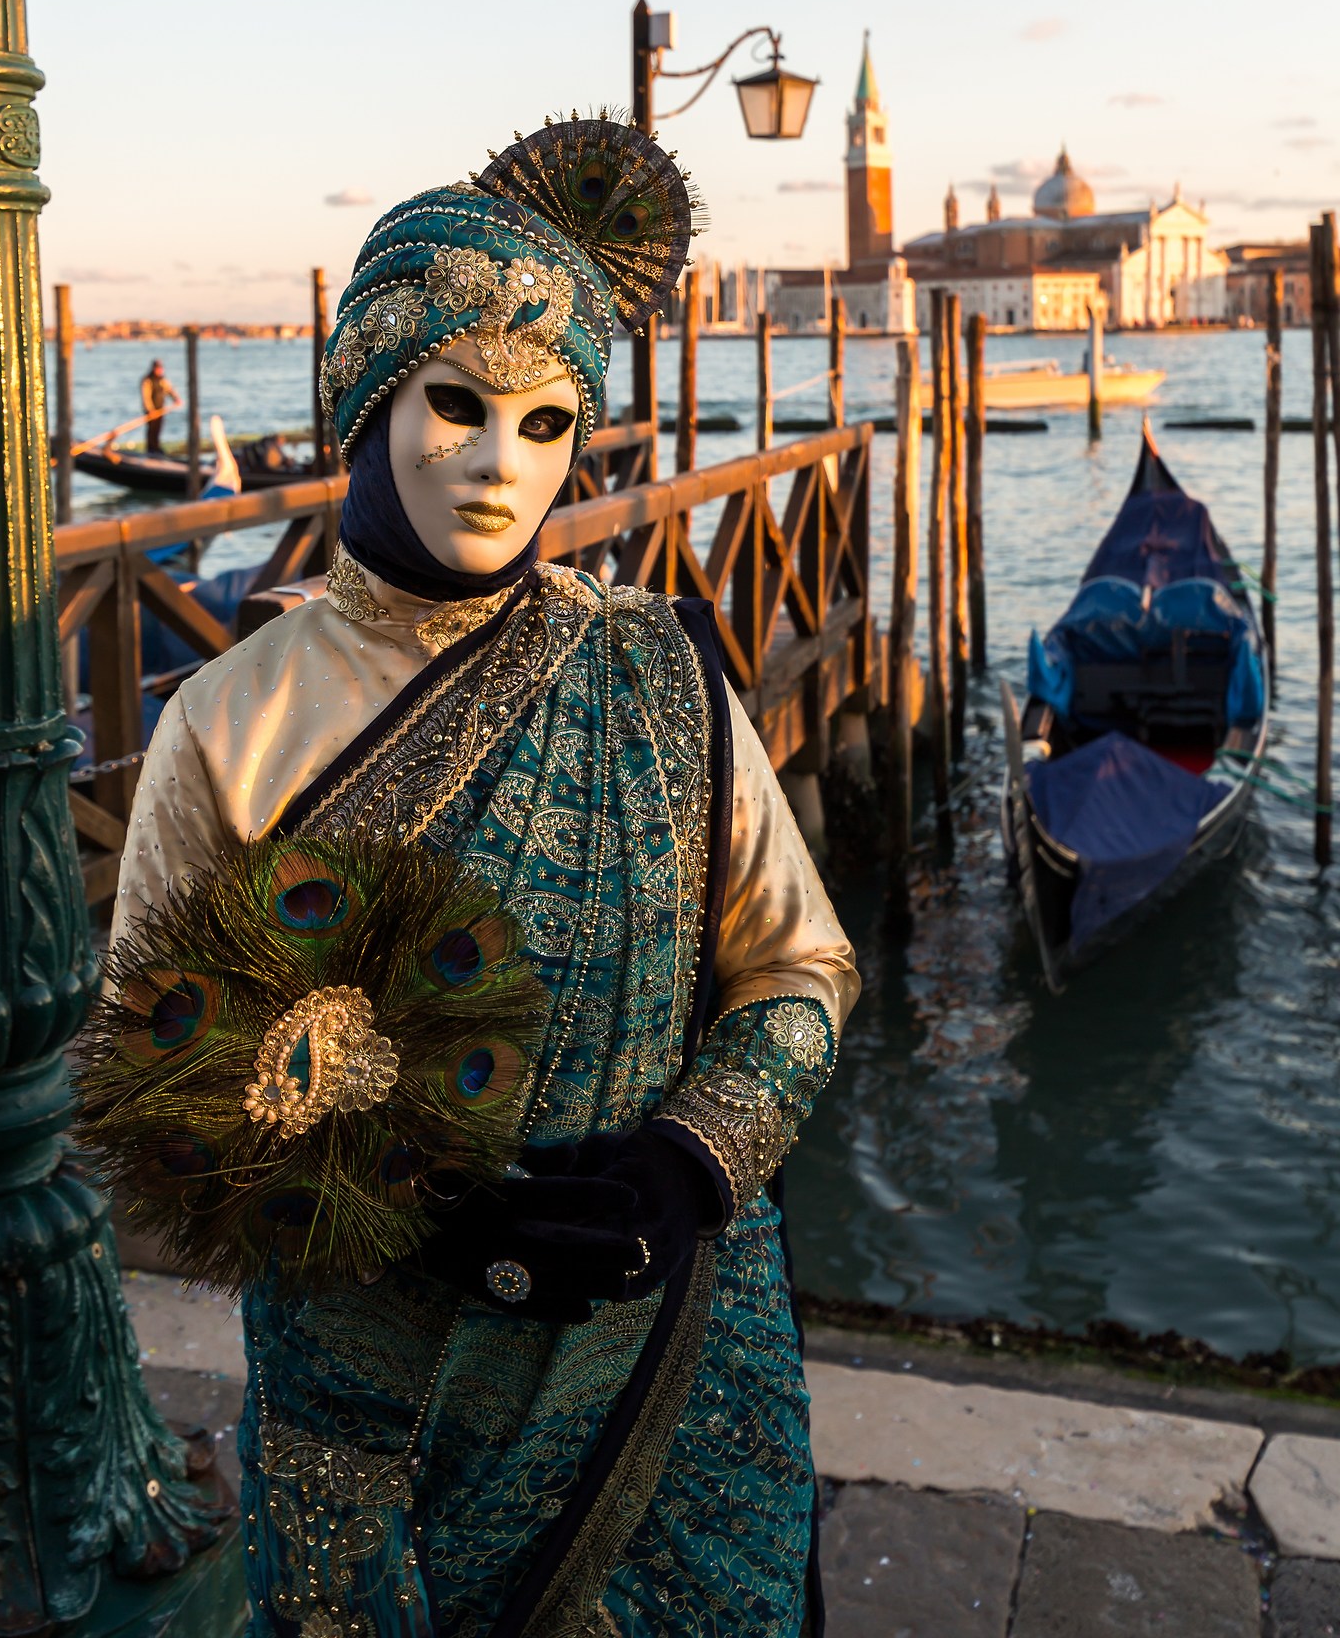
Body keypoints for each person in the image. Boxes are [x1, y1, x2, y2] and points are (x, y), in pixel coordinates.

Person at [107, 116, 859, 1638]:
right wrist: (413, 1217)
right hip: (369, 1383)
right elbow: (159, 1066)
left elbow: (799, 966)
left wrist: (688, 1166)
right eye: (457, 405)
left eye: (548, 421)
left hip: (659, 1338)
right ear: (367, 398)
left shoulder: (657, 669)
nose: (503, 466)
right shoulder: (229, 719)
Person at [141, 357, 181, 453]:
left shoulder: (162, 380)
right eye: (158, 368)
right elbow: (146, 397)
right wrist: (150, 410)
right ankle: (150, 449)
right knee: (151, 430)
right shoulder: (147, 380)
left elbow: (170, 389)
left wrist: (176, 399)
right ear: (153, 368)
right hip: (151, 411)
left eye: (161, 368)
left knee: (158, 429)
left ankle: (156, 447)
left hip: (160, 409)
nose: (160, 370)